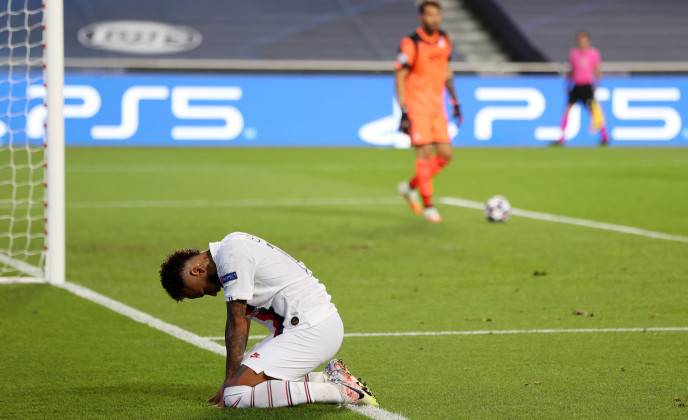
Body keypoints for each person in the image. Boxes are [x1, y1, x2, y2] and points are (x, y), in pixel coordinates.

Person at [159, 232, 378, 408]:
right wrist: (231, 377)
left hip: (312, 329)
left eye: (204, 291)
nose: (213, 293)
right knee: (241, 386)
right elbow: (243, 320)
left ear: (198, 270)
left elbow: (236, 322)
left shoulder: (231, 253)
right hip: (306, 327)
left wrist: (230, 382)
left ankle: (340, 391)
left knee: (236, 395)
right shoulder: (232, 250)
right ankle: (327, 378)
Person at [395, 0, 462, 223]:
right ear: (422, 17)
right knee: (423, 155)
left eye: (437, 15)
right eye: (430, 15)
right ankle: (429, 205)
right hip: (417, 107)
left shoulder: (445, 40)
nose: (435, 19)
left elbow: (447, 71)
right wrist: (404, 111)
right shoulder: (410, 43)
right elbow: (400, 76)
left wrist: (455, 101)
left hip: (437, 107)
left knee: (445, 155)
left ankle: (410, 186)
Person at [556, 31, 609, 146]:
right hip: (576, 86)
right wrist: (568, 84)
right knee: (567, 111)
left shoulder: (593, 54)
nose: (582, 43)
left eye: (584, 41)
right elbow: (571, 70)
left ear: (588, 42)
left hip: (587, 86)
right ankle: (561, 139)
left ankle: (605, 137)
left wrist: (596, 85)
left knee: (595, 112)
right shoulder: (573, 53)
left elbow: (597, 70)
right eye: (580, 41)